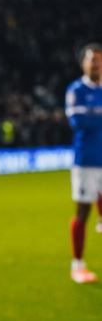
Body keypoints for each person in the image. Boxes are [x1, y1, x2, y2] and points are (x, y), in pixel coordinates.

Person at [65, 42, 102, 284]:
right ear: (84, 64)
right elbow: (78, 122)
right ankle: (77, 265)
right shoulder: (76, 90)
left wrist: (94, 114)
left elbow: (90, 119)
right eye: (92, 60)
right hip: (86, 160)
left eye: (100, 60)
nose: (97, 64)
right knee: (83, 211)